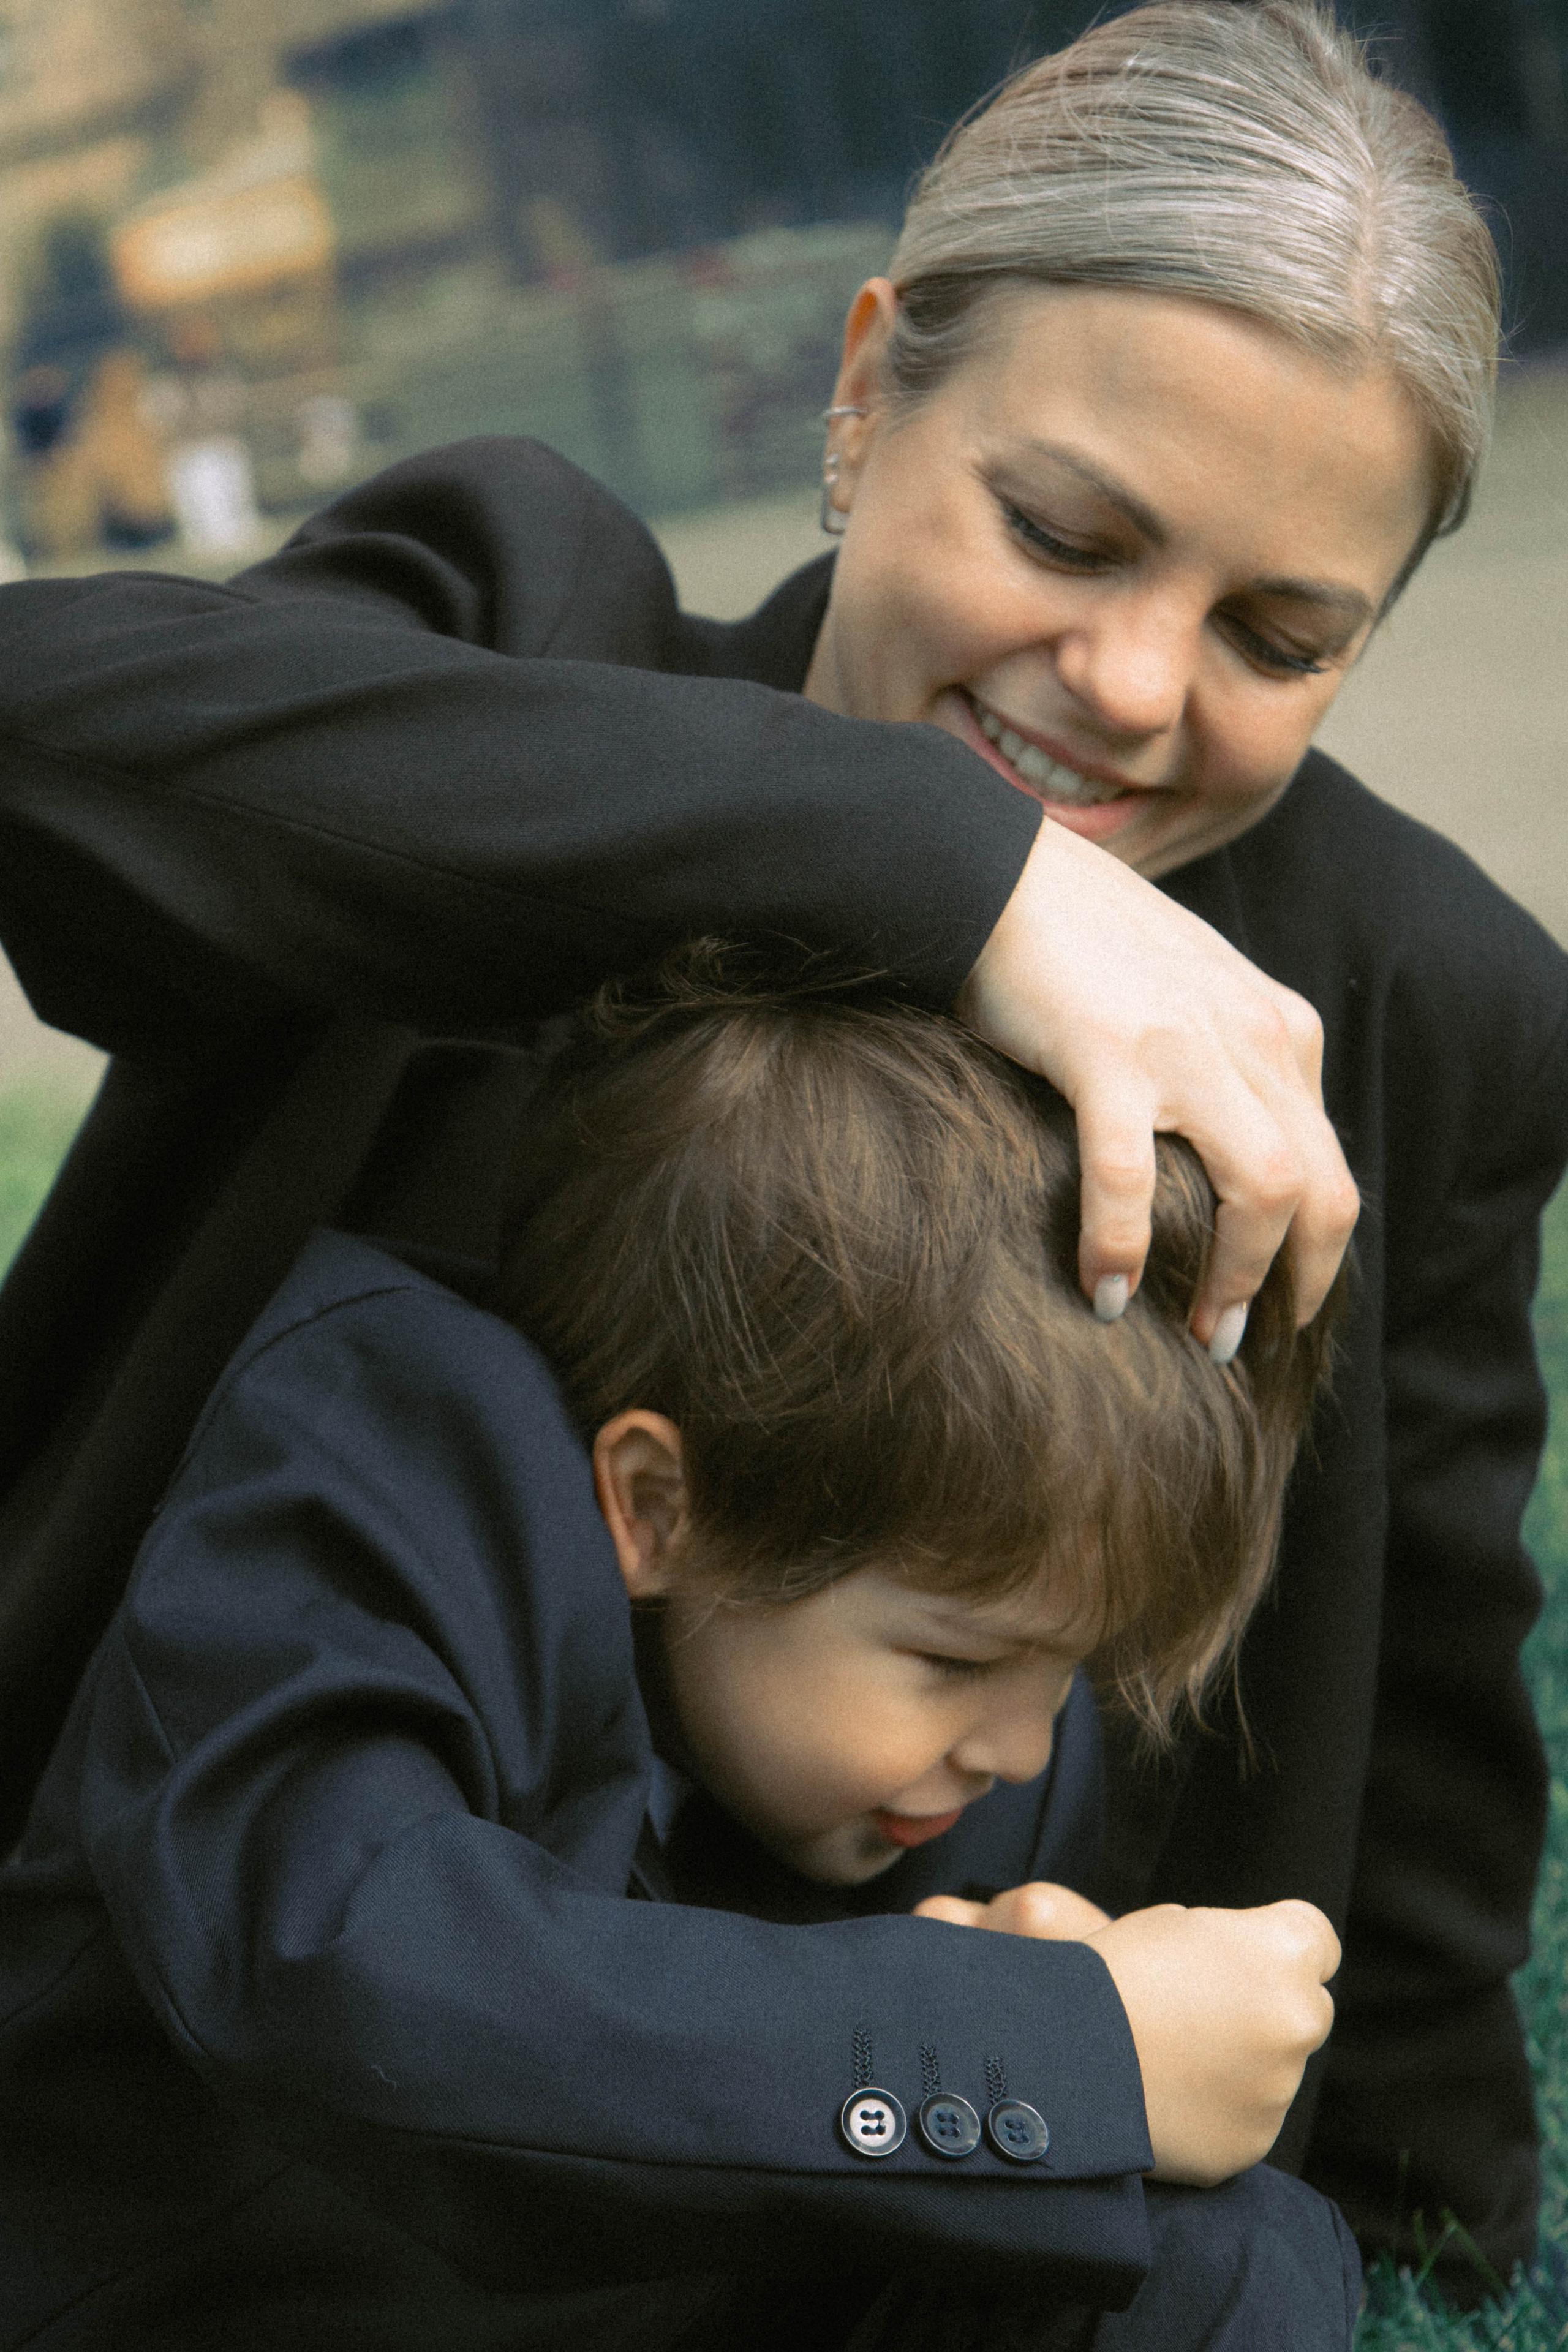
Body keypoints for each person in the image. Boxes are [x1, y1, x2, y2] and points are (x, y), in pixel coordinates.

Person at [0, 0, 1561, 2301]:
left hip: (894, 2101)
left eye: (1276, 630)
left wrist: (1431, 2218)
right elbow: (51, 755)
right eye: (1061, 529)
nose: (1132, 684)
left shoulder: (1403, 988)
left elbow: (1418, 1677)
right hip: (245, 2059)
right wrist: (948, 872)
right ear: (863, 391)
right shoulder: (529, 631)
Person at [0, 959, 1359, 2350]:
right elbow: (343, 1990)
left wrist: (1059, 2047)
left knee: (1226, 2254)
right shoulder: (382, 1463)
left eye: (1069, 1669)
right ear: (655, 1505)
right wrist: (1043, 2043)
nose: (1019, 1745)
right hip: (236, 2304)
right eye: (954, 1664)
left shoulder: (964, 1743)